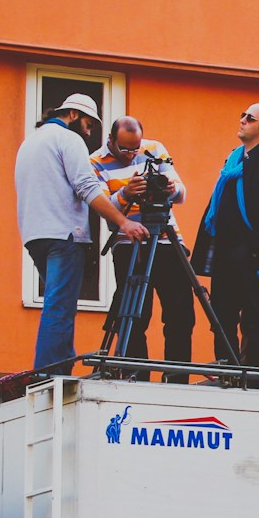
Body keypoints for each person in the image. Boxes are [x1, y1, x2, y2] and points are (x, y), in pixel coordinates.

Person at [15, 93, 148, 371]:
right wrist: (123, 222)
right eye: (88, 125)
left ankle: (61, 365)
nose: (88, 133)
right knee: (60, 308)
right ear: (74, 115)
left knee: (57, 304)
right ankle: (51, 373)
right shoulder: (68, 139)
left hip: (35, 235)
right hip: (64, 235)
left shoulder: (30, 142)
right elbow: (87, 187)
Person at [91, 115, 195, 376]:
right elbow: (102, 208)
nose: (130, 155)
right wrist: (126, 193)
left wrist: (169, 187)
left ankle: (177, 376)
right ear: (111, 140)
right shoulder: (95, 162)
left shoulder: (154, 149)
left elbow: (181, 194)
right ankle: (138, 376)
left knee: (180, 312)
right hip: (129, 244)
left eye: (135, 149)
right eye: (124, 149)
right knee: (135, 315)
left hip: (166, 239)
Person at [195, 101, 259, 370]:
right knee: (222, 319)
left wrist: (254, 247)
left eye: (250, 118)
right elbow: (218, 202)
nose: (242, 120)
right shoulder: (234, 158)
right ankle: (228, 373)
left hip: (252, 255)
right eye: (243, 115)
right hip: (225, 253)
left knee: (254, 320)